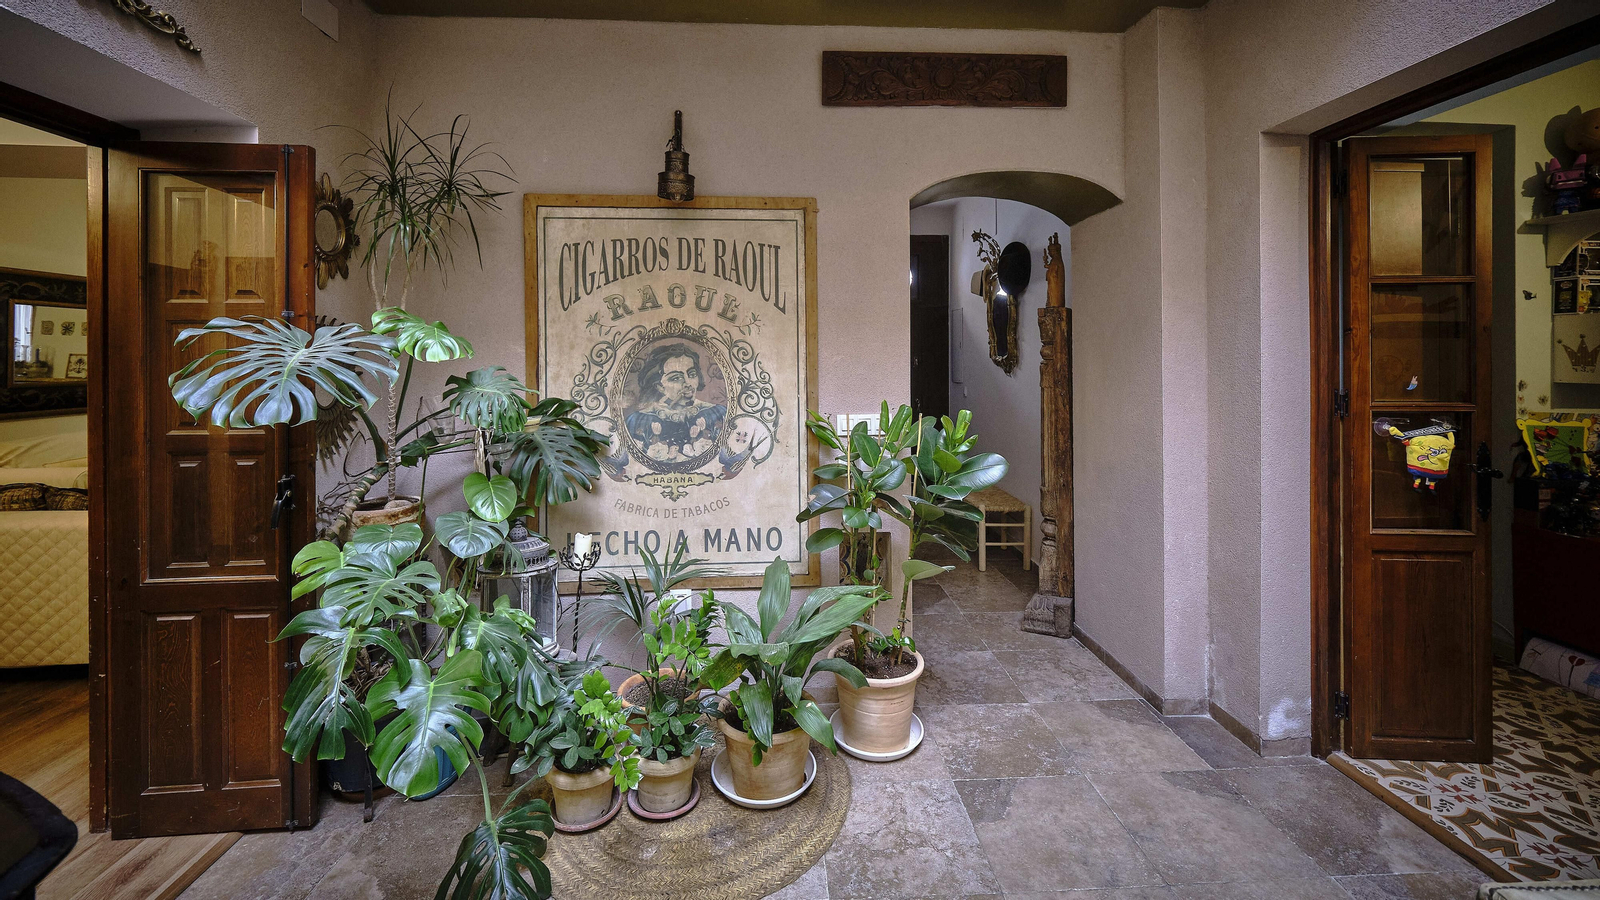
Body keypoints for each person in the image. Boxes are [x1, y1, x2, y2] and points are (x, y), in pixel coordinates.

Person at [624, 342, 726, 461]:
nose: (687, 383)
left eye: (692, 374)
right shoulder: (638, 420)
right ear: (659, 387)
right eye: (676, 378)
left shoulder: (717, 413)